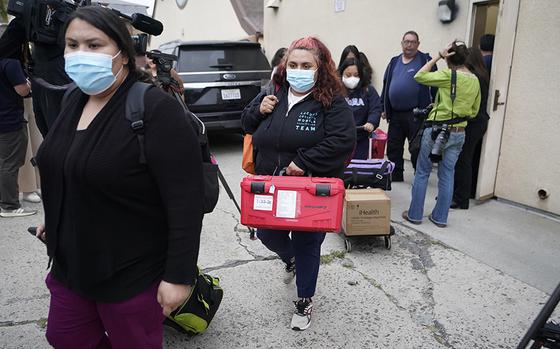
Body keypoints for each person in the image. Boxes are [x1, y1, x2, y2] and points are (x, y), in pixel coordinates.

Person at [33, 6, 204, 348]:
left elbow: (186, 200)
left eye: (94, 45)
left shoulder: (155, 108)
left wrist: (179, 277)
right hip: (73, 264)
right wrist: (57, 219)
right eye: (73, 44)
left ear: (123, 55)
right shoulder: (73, 100)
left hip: (132, 273)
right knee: (65, 337)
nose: (81, 54)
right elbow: (64, 166)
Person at [241, 36, 355, 331]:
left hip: (309, 188)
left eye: (306, 65)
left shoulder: (331, 101)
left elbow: (343, 139)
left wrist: (304, 161)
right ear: (284, 66)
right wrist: (258, 110)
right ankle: (290, 259)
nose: (298, 69)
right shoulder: (273, 91)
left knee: (307, 243)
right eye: (293, 64)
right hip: (272, 185)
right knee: (266, 233)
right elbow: (246, 124)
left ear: (320, 69)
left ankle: (304, 299)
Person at [402, 41, 481, 228]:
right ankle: (440, 218)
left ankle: (414, 215)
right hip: (458, 133)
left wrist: (438, 55)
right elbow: (474, 111)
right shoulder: (475, 80)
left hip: (437, 130)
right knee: (447, 175)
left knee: (422, 172)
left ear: (449, 58)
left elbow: (420, 76)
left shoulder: (448, 75)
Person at [380, 30, 437, 182]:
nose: (409, 45)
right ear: (402, 43)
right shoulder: (394, 62)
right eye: (406, 42)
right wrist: (383, 107)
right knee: (393, 147)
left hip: (416, 114)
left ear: (418, 44)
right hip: (396, 113)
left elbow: (435, 87)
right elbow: (386, 85)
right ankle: (396, 174)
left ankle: (419, 176)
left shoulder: (426, 61)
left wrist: (432, 108)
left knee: (417, 148)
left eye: (413, 42)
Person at [0, 40, 36, 218]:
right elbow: (22, 90)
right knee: (10, 163)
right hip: (10, 119)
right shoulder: (11, 63)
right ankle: (9, 205)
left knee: (4, 162)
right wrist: (29, 84)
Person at [452, 47, 490, 209]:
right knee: (469, 159)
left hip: (473, 122)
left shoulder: (474, 78)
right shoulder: (482, 76)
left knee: (462, 160)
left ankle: (461, 199)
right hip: (479, 122)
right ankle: (466, 193)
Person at [338, 57, 382, 159]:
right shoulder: (336, 91)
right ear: (341, 74)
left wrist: (371, 122)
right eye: (348, 75)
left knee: (358, 167)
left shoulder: (368, 90)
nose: (352, 78)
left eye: (356, 75)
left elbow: (375, 108)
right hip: (339, 139)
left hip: (361, 138)